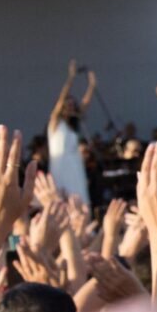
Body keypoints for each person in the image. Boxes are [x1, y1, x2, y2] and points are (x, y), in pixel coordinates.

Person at [48, 60, 95, 204]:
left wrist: (92, 86)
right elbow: (62, 98)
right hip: (60, 165)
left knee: (78, 197)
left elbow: (85, 104)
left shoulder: (74, 125)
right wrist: (71, 78)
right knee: (62, 198)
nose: (70, 106)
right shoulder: (55, 122)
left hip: (75, 166)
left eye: (72, 104)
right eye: (67, 105)